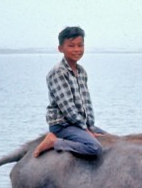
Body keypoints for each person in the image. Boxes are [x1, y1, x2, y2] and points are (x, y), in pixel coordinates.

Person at [33, 26, 106, 158]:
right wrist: (85, 130)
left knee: (113, 141)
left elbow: (86, 103)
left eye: (80, 45)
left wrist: (90, 126)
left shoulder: (81, 71)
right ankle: (54, 142)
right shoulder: (58, 72)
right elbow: (68, 108)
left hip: (78, 124)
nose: (77, 50)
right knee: (94, 147)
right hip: (62, 125)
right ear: (61, 48)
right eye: (71, 46)